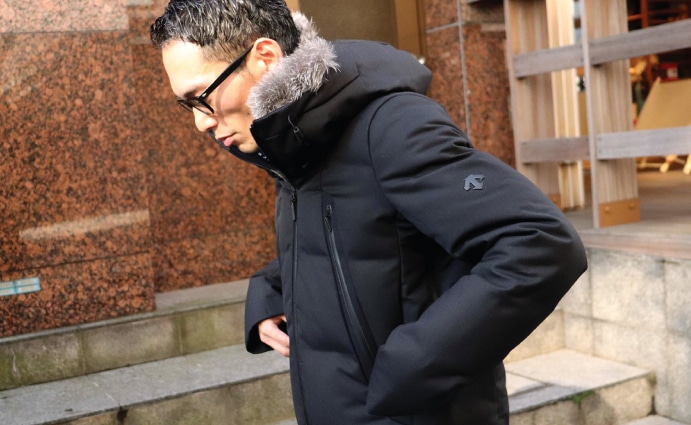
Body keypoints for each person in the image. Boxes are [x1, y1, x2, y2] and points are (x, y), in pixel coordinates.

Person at [150, 1, 588, 423]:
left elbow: (540, 244)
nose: (201, 122)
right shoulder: (293, 142)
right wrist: (271, 291)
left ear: (265, 58)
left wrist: (410, 367)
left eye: (202, 97)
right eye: (187, 105)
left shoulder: (392, 127)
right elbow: (349, 236)